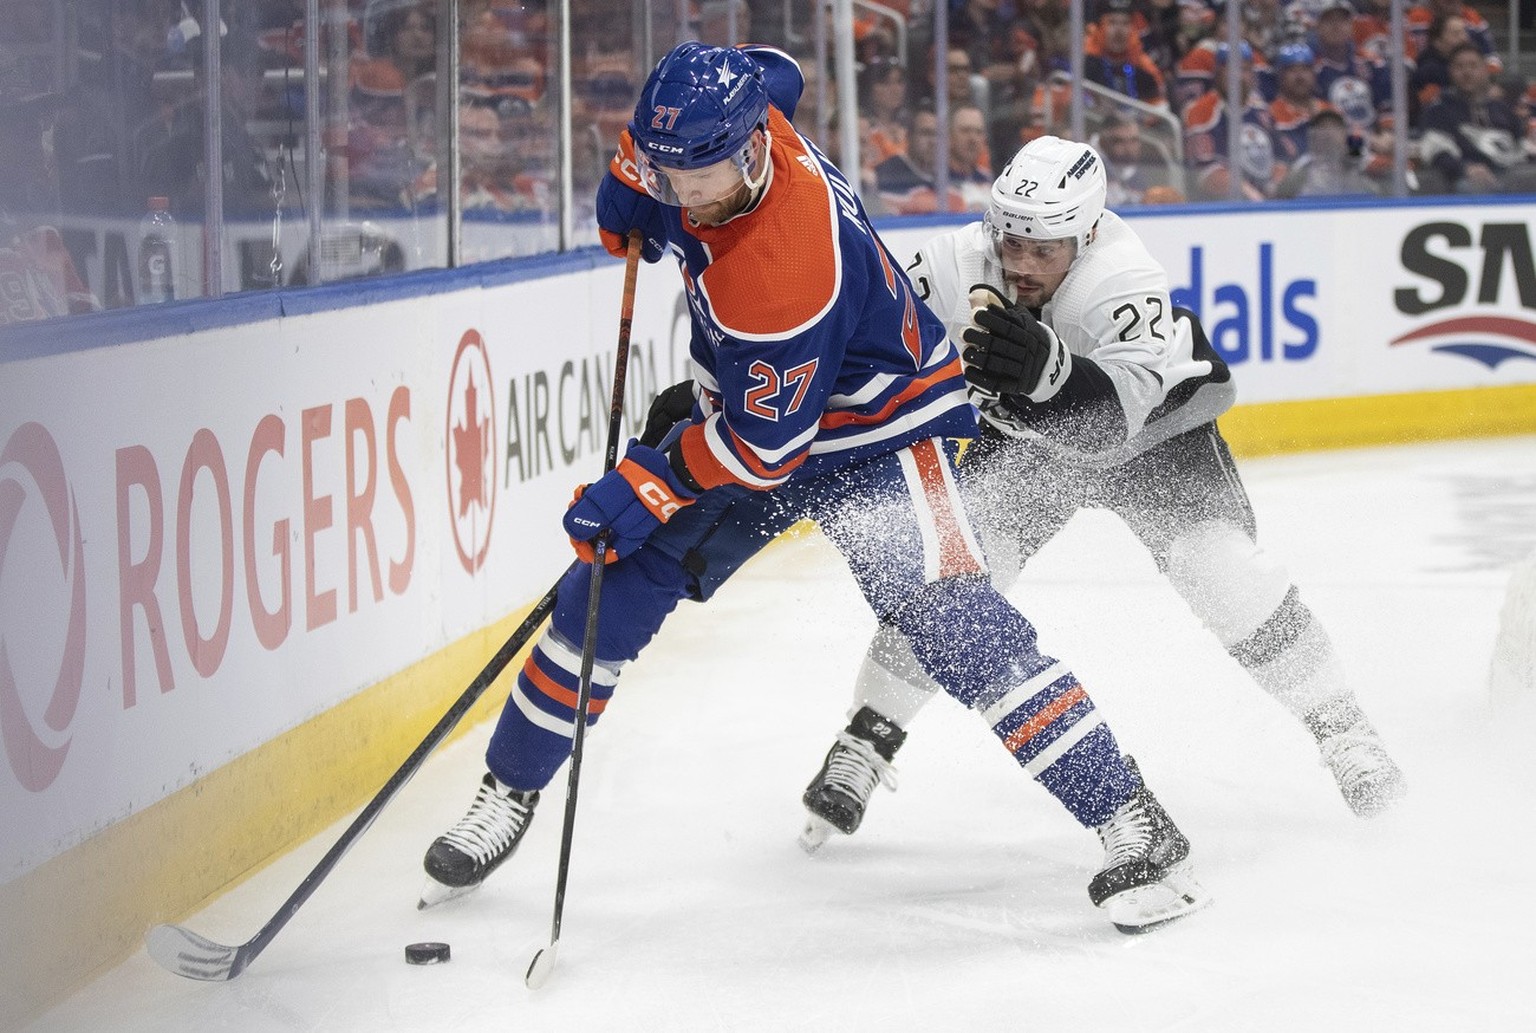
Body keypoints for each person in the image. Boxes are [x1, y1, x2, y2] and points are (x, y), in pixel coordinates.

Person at [419, 41, 1210, 935]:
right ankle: (509, 790)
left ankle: (1135, 821)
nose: (685, 193)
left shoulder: (784, 265)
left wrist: (651, 481)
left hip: (873, 429)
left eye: (699, 176)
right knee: (609, 585)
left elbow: (763, 451)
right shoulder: (735, 121)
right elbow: (776, 68)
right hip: (764, 402)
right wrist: (633, 176)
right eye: (669, 170)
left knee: (956, 625)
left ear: (755, 150)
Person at [796, 135, 1408, 857]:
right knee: (950, 580)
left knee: (1220, 570)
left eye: (1044, 249)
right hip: (1025, 437)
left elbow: (1110, 423)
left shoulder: (1124, 282)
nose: (1021, 264)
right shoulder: (954, 261)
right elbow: (859, 334)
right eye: (1011, 240)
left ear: (1086, 235)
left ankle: (1343, 727)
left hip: (1150, 435)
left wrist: (1050, 370)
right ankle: (867, 737)